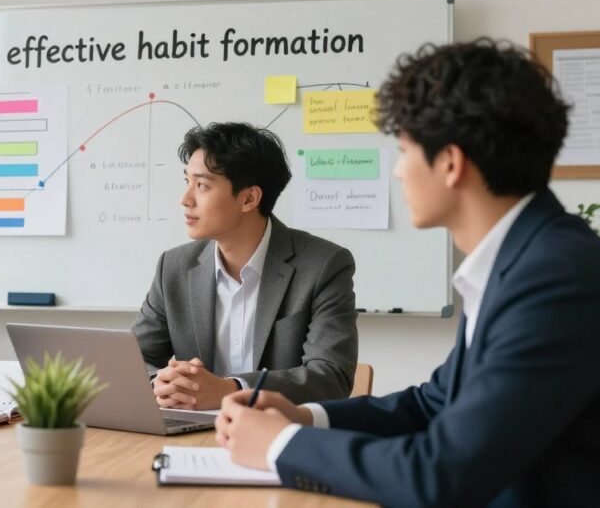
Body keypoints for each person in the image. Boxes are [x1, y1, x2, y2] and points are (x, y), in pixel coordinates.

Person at [216, 39, 600, 507]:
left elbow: (441, 474)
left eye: (404, 150)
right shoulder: (522, 260)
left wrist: (278, 445)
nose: (398, 172)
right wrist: (303, 417)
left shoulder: (556, 277)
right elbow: (432, 404)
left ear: (451, 163)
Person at [132, 122, 358, 409]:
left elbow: (330, 376)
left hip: (276, 435)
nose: (185, 199)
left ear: (249, 198)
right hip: (188, 432)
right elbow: (135, 359)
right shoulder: (173, 267)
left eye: (201, 185)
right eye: (187, 182)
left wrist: (231, 390)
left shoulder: (323, 265)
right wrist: (159, 383)